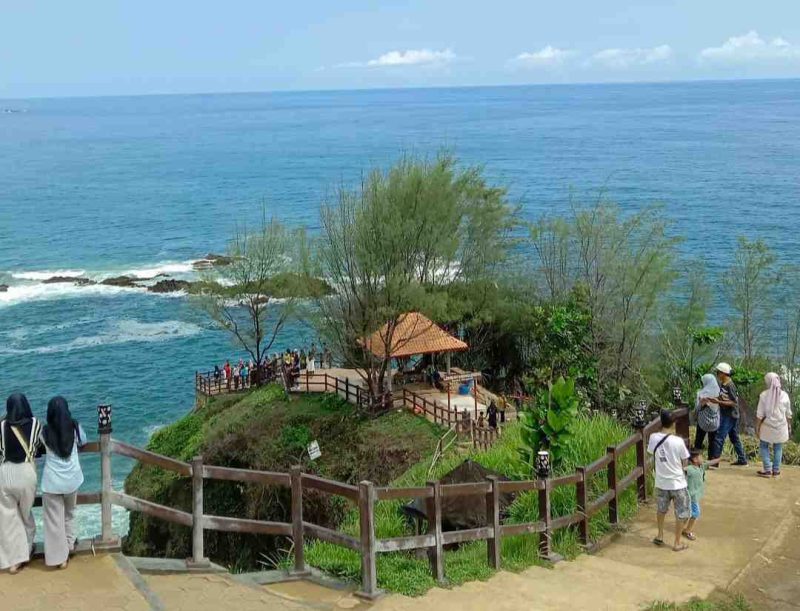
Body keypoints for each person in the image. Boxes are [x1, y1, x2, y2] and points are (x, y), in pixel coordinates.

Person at [40, 397, 87, 569]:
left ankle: (60, 558)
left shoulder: (44, 432)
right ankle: (69, 546)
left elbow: (38, 446)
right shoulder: (74, 426)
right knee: (70, 513)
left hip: (52, 482)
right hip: (72, 480)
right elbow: (85, 441)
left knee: (54, 521)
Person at [0, 394, 43, 574]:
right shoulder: (35, 423)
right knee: (25, 514)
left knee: (8, 518)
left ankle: (13, 561)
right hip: (26, 473)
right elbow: (38, 445)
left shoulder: (2, 425)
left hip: (5, 473)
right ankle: (26, 550)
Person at [647, 409, 691, 552]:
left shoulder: (653, 437)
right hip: (678, 483)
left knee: (661, 510)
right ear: (673, 423)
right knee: (681, 513)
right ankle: (677, 542)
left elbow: (651, 452)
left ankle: (660, 535)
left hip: (661, 482)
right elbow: (685, 461)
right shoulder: (678, 441)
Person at [710, 363, 748, 465]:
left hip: (730, 415)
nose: (717, 374)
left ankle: (714, 461)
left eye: (718, 372)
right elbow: (723, 397)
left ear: (723, 373)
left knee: (719, 437)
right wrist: (715, 399)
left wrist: (718, 402)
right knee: (734, 437)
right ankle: (742, 459)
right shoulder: (724, 383)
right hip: (727, 413)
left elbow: (734, 402)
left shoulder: (730, 386)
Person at [756, 372, 792, 478]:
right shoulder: (785, 395)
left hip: (767, 427)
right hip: (781, 427)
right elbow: (789, 414)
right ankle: (776, 471)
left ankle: (767, 470)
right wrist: (789, 426)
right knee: (778, 448)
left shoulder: (764, 395)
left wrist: (757, 427)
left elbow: (759, 414)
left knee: (763, 446)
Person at [683, 450, 722, 541]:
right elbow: (682, 470)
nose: (703, 459)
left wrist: (720, 459)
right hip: (690, 496)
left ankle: (684, 528)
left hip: (694, 497)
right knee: (695, 513)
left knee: (689, 514)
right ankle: (687, 531)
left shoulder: (701, 467)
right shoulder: (690, 469)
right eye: (701, 457)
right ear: (695, 459)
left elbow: (710, 462)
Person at [693, 373, 721, 459]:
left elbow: (697, 409)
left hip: (702, 422)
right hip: (715, 422)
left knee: (698, 441)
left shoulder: (701, 394)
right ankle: (712, 461)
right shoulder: (719, 392)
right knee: (713, 442)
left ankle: (696, 459)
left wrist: (695, 415)